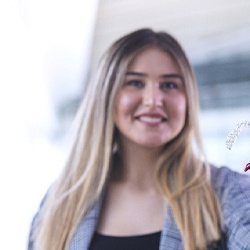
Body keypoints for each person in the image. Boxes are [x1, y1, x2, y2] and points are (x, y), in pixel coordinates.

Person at [28, 28, 250, 250]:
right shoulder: (59, 203)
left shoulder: (226, 192)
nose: (153, 100)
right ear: (106, 95)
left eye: (169, 85)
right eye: (135, 83)